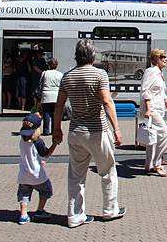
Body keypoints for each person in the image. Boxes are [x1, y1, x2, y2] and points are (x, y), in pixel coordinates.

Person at [53, 39, 125, 228]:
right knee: (107, 171)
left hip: (76, 132)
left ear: (76, 55)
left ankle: (75, 216)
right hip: (97, 131)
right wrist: (117, 129)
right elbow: (107, 102)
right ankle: (110, 210)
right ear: (93, 55)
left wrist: (56, 129)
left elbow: (59, 105)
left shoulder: (67, 77)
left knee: (76, 176)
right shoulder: (100, 74)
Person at [17, 113, 58, 225]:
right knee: (46, 190)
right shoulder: (38, 142)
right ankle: (40, 211)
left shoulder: (22, 141)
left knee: (24, 193)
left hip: (24, 174)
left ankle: (23, 215)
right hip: (37, 175)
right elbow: (46, 154)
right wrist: (55, 144)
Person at [139, 49, 167, 177]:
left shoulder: (159, 73)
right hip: (152, 110)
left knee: (153, 138)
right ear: (156, 58)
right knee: (165, 135)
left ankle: (149, 165)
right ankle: (157, 163)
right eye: (163, 57)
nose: (165, 59)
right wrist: (147, 109)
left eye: (165, 57)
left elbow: (161, 93)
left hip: (159, 109)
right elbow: (146, 91)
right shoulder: (151, 71)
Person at [37, 58, 63, 136]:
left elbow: (40, 84)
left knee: (46, 113)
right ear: (56, 65)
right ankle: (54, 130)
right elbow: (62, 86)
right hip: (56, 95)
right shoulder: (60, 74)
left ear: (48, 65)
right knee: (55, 114)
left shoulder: (45, 73)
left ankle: (46, 130)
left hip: (46, 95)